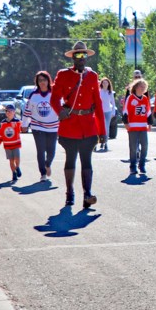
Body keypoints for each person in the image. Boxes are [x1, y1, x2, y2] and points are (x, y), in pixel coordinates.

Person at [50, 41, 106, 209]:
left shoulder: (93, 76)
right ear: (73, 57)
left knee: (87, 161)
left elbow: (98, 104)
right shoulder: (63, 74)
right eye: (78, 55)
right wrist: (60, 111)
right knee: (70, 160)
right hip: (70, 124)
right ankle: (69, 193)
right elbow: (54, 98)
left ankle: (87, 194)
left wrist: (102, 131)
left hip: (88, 125)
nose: (82, 58)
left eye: (84, 55)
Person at [22, 71, 58, 182]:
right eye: (40, 80)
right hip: (38, 126)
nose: (42, 82)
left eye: (44, 80)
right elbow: (27, 111)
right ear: (37, 82)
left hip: (53, 126)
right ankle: (43, 173)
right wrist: (24, 125)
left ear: (48, 81)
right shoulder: (34, 95)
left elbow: (60, 109)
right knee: (41, 150)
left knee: (51, 151)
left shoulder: (54, 93)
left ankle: (48, 164)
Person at [123, 79, 151, 175]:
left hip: (143, 127)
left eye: (144, 87)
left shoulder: (145, 99)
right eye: (141, 86)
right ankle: (133, 166)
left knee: (145, 146)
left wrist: (149, 124)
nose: (143, 88)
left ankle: (142, 164)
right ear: (136, 87)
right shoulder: (130, 98)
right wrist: (126, 123)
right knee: (133, 147)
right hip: (133, 127)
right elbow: (125, 112)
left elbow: (148, 113)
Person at [0, 104, 22, 182]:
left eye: (11, 111)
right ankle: (13, 173)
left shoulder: (17, 121)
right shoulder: (3, 123)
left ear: (14, 112)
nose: (9, 112)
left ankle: (17, 167)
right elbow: (0, 132)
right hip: (7, 144)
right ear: (5, 113)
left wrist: (20, 126)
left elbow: (22, 128)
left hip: (16, 143)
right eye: (7, 111)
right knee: (11, 160)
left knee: (17, 157)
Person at [98, 77, 117, 151]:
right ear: (101, 84)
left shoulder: (110, 93)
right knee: (99, 127)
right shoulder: (99, 92)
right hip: (100, 112)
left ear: (108, 84)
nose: (105, 84)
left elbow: (113, 102)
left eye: (106, 82)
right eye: (104, 82)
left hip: (108, 111)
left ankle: (105, 143)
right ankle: (98, 142)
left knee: (106, 127)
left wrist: (113, 112)